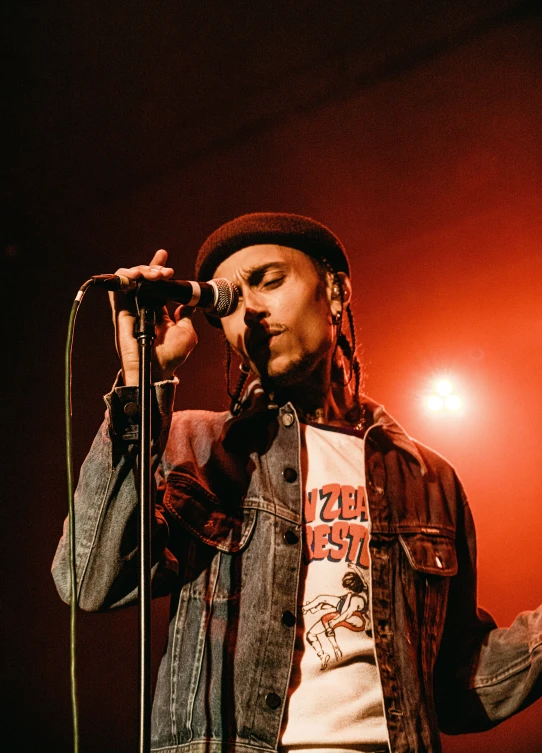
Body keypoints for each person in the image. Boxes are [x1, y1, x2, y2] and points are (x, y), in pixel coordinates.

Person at [52, 212, 542, 753]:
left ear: (335, 291)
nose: (251, 313)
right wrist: (142, 386)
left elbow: (453, 685)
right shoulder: (195, 445)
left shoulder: (428, 479)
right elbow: (90, 578)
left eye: (269, 280)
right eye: (230, 302)